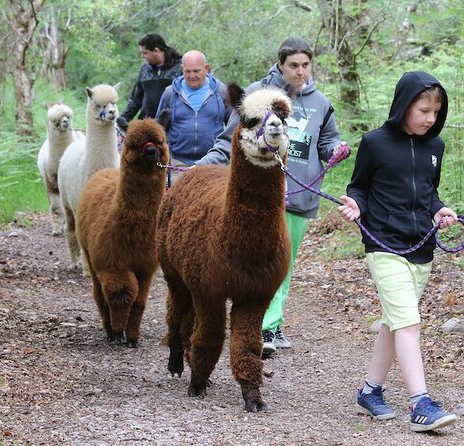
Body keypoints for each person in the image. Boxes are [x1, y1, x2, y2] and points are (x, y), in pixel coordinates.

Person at [196, 37, 347, 356]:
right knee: (258, 264)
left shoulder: (319, 102)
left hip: (301, 195)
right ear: (280, 64)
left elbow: (327, 139)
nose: (300, 71)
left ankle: (272, 325)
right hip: (260, 200)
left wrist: (335, 150)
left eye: (306, 65)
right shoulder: (256, 95)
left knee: (284, 264)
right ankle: (260, 326)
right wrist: (199, 168)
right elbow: (230, 141)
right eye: (293, 65)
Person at [337, 71, 459, 433]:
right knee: (408, 321)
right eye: (423, 110)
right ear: (404, 106)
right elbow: (358, 186)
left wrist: (439, 209)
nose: (430, 119)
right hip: (384, 244)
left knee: (395, 321)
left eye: (436, 112)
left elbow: (428, 191)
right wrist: (356, 206)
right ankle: (420, 403)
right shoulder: (374, 142)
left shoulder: (435, 147)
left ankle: (370, 391)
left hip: (422, 246)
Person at [155, 50, 233, 183]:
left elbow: (233, 128)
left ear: (206, 68)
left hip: (213, 162)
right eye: (187, 72)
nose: (192, 76)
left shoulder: (222, 91)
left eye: (196, 71)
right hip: (178, 165)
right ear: (182, 69)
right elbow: (158, 130)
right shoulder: (170, 93)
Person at [118, 33, 182, 128]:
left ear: (155, 51)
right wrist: (123, 118)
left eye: (145, 53)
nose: (142, 56)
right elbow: (136, 99)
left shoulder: (181, 68)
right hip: (147, 127)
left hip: (173, 128)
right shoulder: (144, 69)